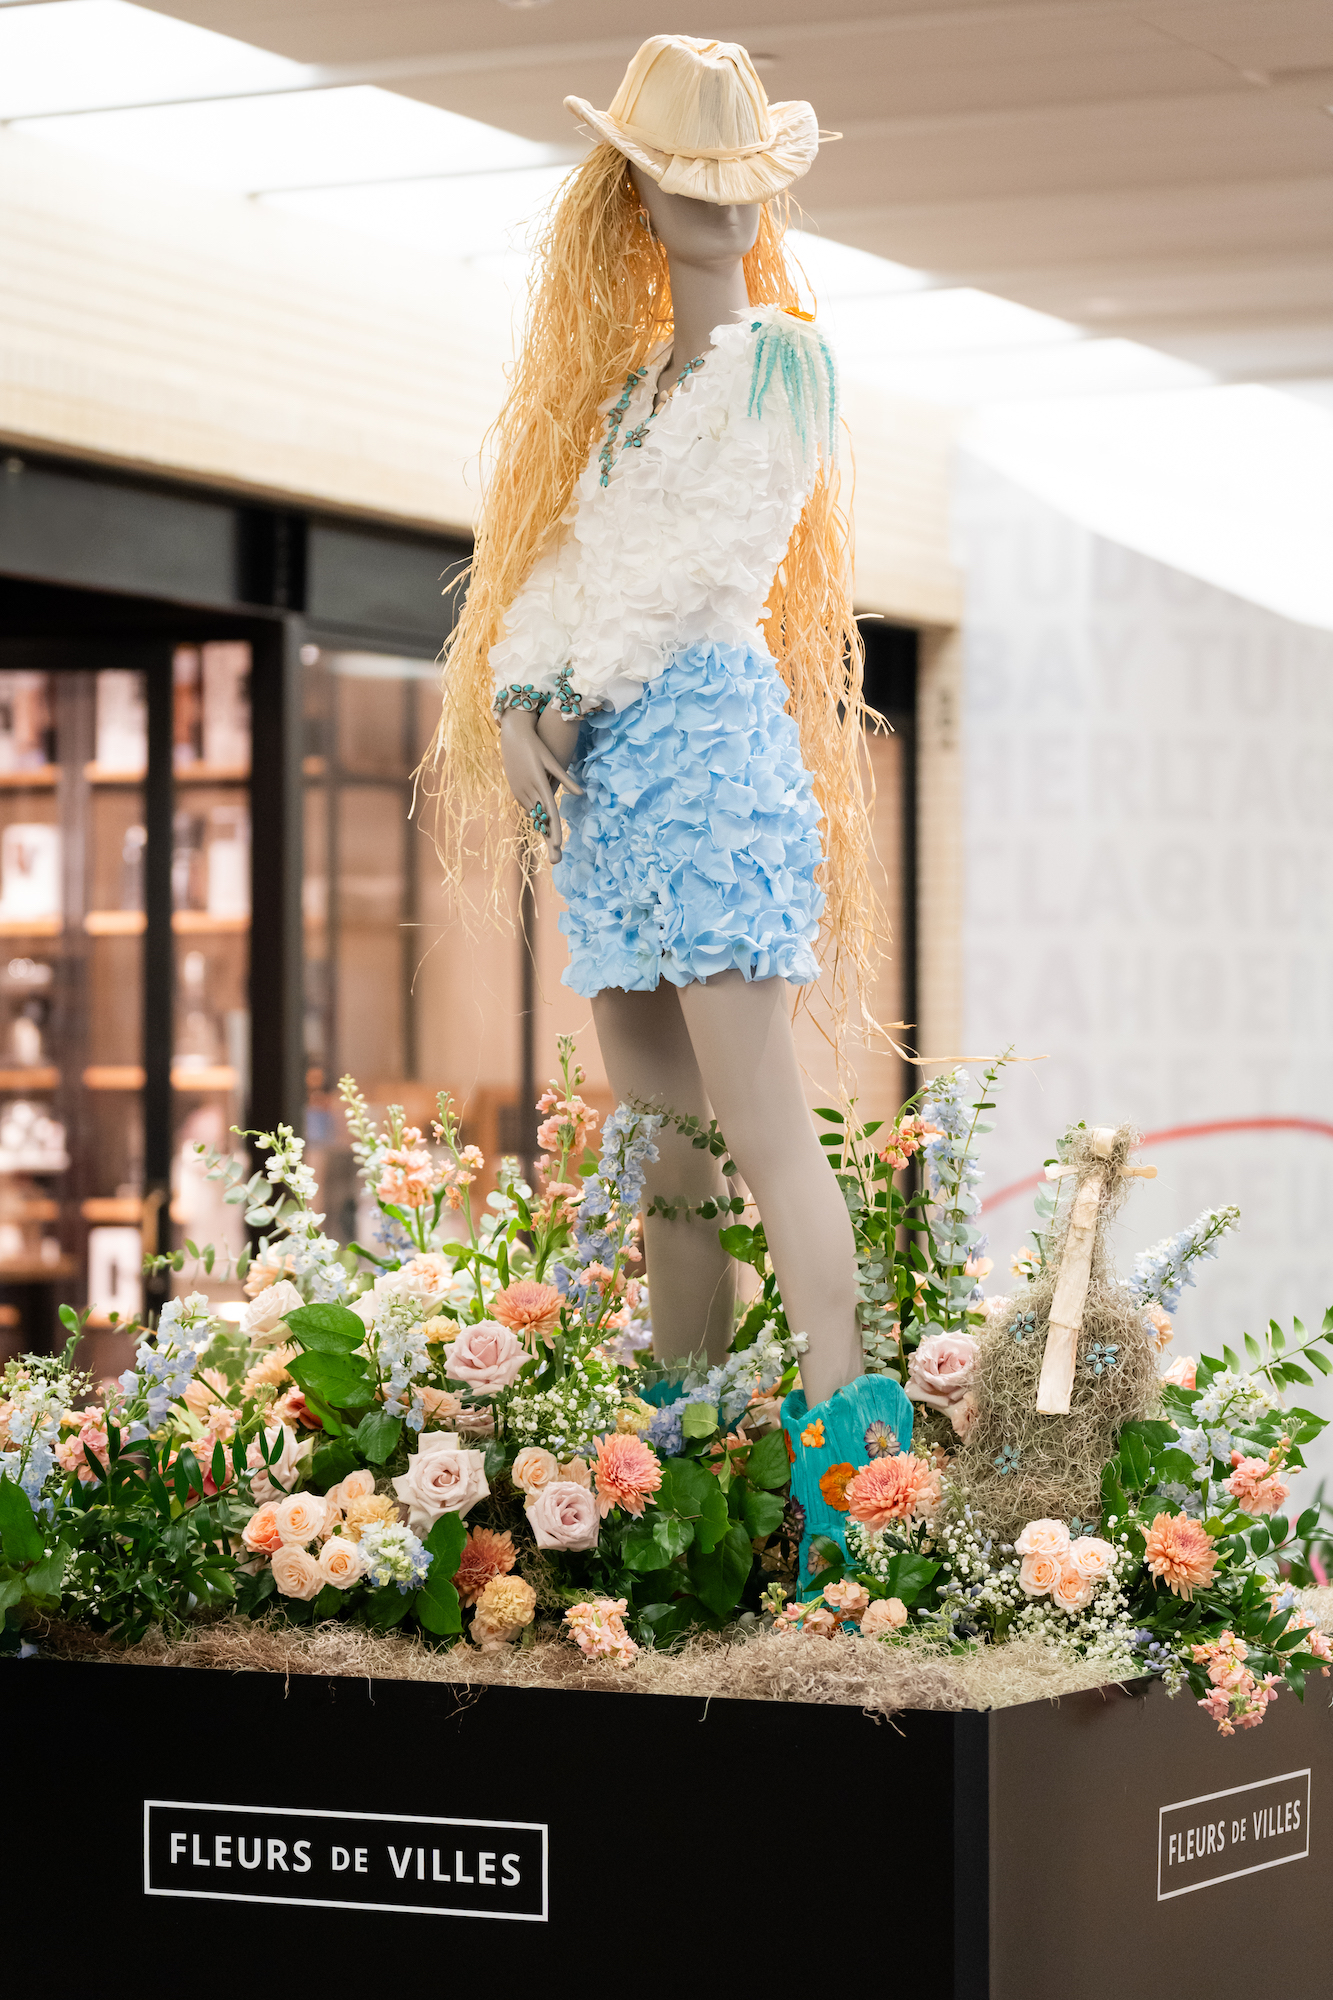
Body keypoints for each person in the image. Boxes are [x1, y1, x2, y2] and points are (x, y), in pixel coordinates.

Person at [424, 36, 911, 1571]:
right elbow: (577, 561)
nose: (709, 211)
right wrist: (519, 692)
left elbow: (701, 559)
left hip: (697, 755)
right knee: (664, 1149)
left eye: (731, 184)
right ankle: (684, 1465)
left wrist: (559, 687)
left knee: (764, 1132)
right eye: (681, 183)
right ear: (633, 196)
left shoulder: (782, 360)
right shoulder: (636, 391)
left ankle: (852, 1497)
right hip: (615, 784)